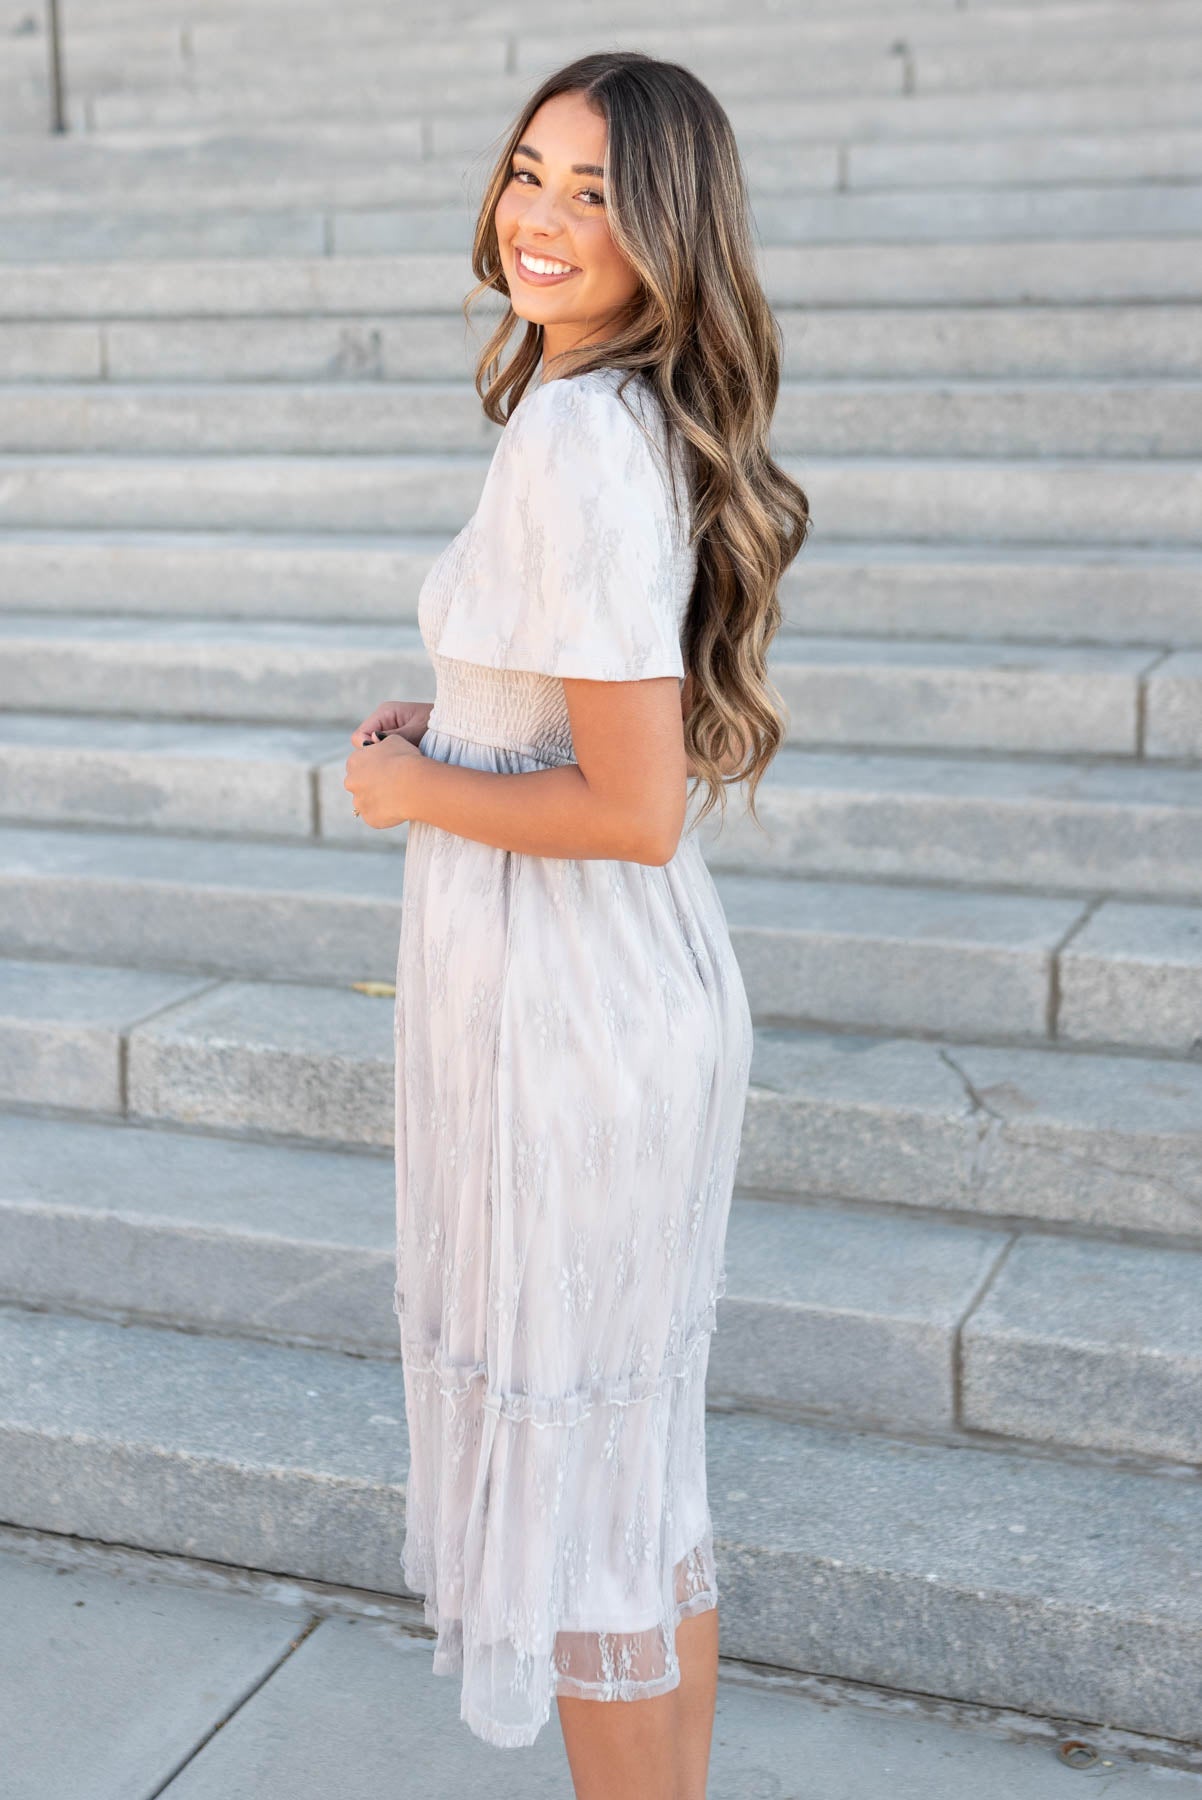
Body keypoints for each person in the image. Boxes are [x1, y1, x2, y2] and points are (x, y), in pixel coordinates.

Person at [344, 48, 809, 1800]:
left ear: (663, 232)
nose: (538, 217)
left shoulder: (574, 433)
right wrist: (450, 724)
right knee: (628, 1483)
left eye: (593, 194)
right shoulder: (601, 413)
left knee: (593, 1510)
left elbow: (628, 805)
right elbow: (577, 720)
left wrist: (409, 793)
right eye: (529, 171)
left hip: (576, 1012)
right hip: (594, 1001)